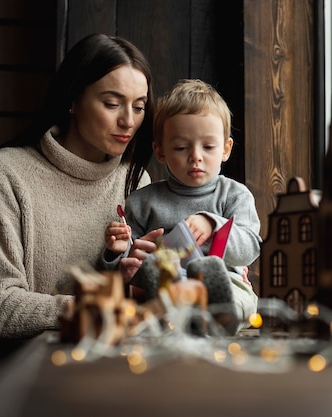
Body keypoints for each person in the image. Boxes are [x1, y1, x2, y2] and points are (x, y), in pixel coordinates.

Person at [0, 33, 161, 412]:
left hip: (62, 374)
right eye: (112, 103)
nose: (129, 120)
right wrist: (99, 308)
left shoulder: (135, 184)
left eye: (139, 106)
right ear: (73, 101)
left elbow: (129, 297)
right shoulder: (4, 173)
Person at [103, 79, 262, 334]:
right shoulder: (143, 202)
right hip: (167, 285)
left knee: (238, 298)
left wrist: (212, 223)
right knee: (148, 296)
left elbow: (250, 249)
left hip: (224, 282)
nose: (196, 156)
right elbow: (126, 268)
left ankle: (213, 316)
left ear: (226, 148)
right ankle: (186, 318)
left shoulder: (234, 195)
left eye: (208, 147)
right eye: (181, 147)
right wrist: (116, 252)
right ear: (161, 151)